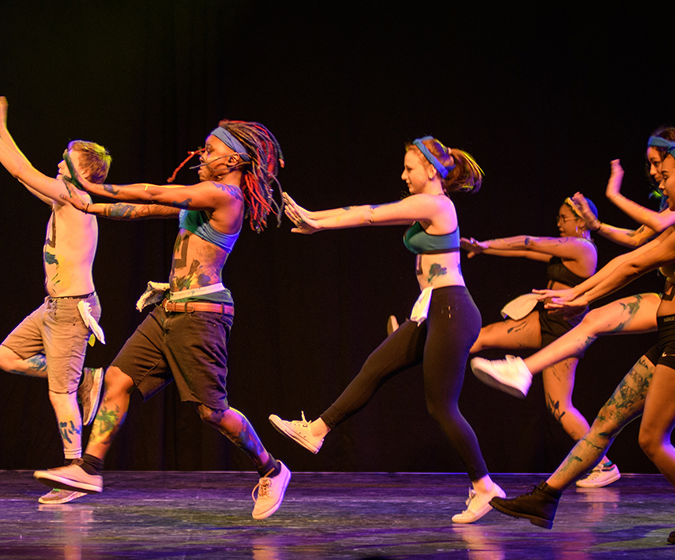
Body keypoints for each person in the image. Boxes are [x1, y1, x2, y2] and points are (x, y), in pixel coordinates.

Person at [22, 116, 293, 520]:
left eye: (211, 149)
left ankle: (273, 469)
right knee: (117, 379)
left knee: (211, 411)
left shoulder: (224, 195)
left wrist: (92, 185)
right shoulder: (204, 197)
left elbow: (153, 190)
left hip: (201, 315)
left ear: (234, 160)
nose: (203, 154)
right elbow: (147, 206)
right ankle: (89, 470)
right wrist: (91, 205)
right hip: (169, 310)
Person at [270, 136, 502, 523]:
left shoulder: (436, 203)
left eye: (409, 168)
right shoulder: (426, 206)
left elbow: (369, 214)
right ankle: (317, 430)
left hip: (450, 309)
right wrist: (316, 222)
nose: (403, 175)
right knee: (375, 367)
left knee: (441, 407)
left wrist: (316, 219)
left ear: (431, 169)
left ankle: (485, 486)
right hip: (433, 309)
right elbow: (371, 216)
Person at [489, 134, 675, 544]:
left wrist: (577, 293)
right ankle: (546, 496)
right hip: (665, 328)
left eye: (662, 166)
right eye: (651, 167)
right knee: (606, 420)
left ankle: (523, 370)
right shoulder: (667, 214)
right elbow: (634, 245)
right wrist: (595, 233)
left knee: (651, 439)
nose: (655, 175)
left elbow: (632, 263)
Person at [0, 96, 108, 505]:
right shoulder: (63, 196)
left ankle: (74, 472)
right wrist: (0, 127)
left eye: (66, 160)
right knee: (6, 356)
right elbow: (23, 176)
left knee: (60, 395)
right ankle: (85, 379)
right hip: (52, 307)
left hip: (71, 311)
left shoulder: (76, 200)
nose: (59, 163)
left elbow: (22, 169)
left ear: (84, 173)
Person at [460, 197, 618, 486]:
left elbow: (530, 242)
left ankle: (603, 464)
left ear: (581, 222)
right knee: (481, 338)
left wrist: (486, 243)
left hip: (565, 332)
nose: (558, 224)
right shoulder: (566, 251)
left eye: (563, 218)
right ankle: (421, 345)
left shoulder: (583, 248)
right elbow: (524, 251)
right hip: (544, 322)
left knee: (560, 406)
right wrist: (485, 248)